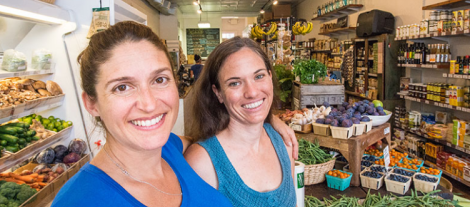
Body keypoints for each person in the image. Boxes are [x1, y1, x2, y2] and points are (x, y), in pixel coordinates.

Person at [52, 22, 297, 206]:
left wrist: (264, 117)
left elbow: (225, 138)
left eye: (159, 79)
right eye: (122, 87)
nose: (148, 104)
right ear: (91, 103)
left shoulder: (169, 149)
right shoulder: (80, 199)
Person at [184, 37, 296, 207]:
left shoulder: (285, 143)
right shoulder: (202, 162)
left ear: (270, 77)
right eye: (235, 83)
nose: (251, 92)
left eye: (259, 76)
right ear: (218, 93)